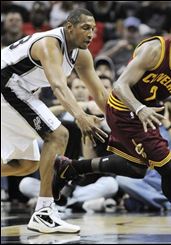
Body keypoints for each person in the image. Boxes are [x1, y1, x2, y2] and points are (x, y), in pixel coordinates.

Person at [52, 15, 171, 238]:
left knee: (137, 169)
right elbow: (120, 85)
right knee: (169, 166)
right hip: (123, 107)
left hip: (144, 113)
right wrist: (140, 108)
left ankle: (72, 168)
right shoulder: (155, 50)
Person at [1, 8, 109, 233]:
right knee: (59, 134)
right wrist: (79, 115)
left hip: (17, 89)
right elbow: (59, 86)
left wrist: (125, 123)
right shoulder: (50, 43)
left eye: (94, 30)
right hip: (6, 84)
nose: (91, 34)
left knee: (26, 165)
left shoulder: (81, 53)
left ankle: (44, 212)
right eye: (85, 28)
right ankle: (44, 212)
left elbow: (100, 95)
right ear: (69, 27)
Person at [116, 94, 171, 212]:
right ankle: (169, 203)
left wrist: (167, 125)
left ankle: (151, 202)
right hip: (150, 181)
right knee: (121, 180)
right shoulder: (151, 126)